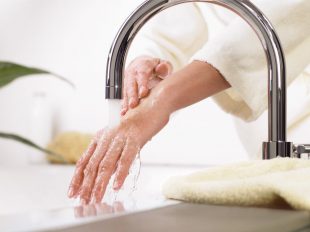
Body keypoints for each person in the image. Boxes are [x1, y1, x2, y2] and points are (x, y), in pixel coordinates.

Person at [68, 0, 310, 204]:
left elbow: (288, 13)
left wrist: (163, 100)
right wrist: (148, 64)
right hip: (269, 158)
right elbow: (174, 24)